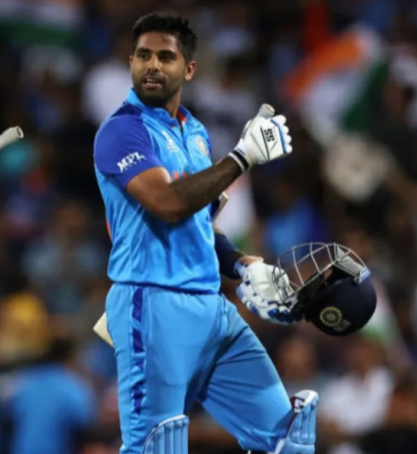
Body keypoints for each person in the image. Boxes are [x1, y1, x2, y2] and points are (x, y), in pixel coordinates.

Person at [93, 12, 317, 454]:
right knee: (154, 448)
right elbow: (169, 203)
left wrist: (242, 265)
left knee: (287, 440)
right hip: (152, 305)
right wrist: (241, 158)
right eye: (142, 55)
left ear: (189, 69)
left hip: (213, 310)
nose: (152, 65)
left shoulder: (194, 133)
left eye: (165, 57)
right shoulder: (121, 130)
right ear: (130, 62)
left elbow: (198, 229)